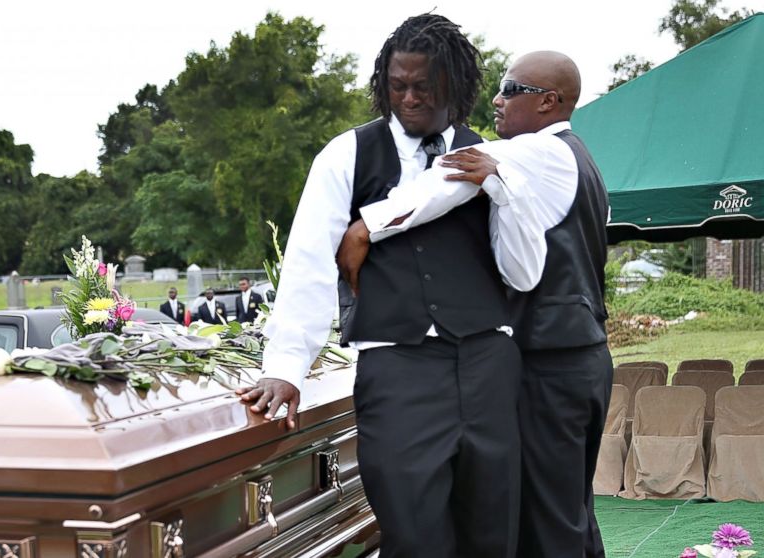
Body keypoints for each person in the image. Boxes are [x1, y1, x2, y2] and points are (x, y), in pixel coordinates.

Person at [238, 13, 522, 557]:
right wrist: (285, 366)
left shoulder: (488, 156)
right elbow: (308, 260)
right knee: (414, 535)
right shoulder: (346, 154)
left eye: (424, 87)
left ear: (455, 88)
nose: (408, 99)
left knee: (492, 534)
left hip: (488, 364)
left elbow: (517, 259)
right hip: (398, 372)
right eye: (397, 86)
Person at [341, 51, 613, 558]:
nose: (497, 98)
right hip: (587, 355)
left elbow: (445, 180)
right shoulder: (586, 161)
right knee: (573, 510)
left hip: (549, 360)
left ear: (549, 102)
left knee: (548, 520)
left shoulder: (538, 151)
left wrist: (364, 228)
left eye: (511, 88)